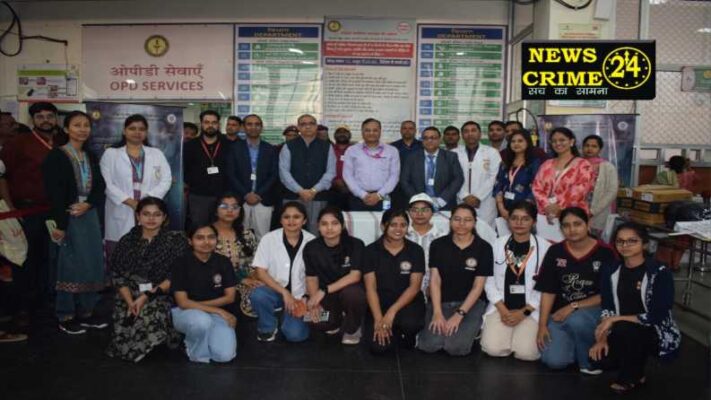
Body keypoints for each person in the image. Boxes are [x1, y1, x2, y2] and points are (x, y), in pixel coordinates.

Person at [589, 223, 681, 394]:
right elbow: (607, 306)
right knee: (599, 360)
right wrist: (602, 337)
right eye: (620, 241)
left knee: (626, 329)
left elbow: (657, 315)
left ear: (644, 244)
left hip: (655, 330)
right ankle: (636, 371)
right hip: (621, 328)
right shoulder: (611, 269)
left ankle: (629, 377)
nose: (625, 245)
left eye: (632, 241)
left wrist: (616, 319)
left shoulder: (659, 272)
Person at [42, 111, 106, 335]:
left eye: (86, 125)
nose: (82, 129)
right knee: (68, 264)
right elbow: (54, 192)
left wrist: (88, 204)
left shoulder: (91, 155)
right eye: (77, 125)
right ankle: (66, 314)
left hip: (88, 214)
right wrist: (61, 224)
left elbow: (100, 186)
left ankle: (87, 311)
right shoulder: (56, 156)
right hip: (67, 216)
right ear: (66, 129)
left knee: (91, 262)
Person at [535, 207, 617, 374]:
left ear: (588, 224)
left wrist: (573, 306)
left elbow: (609, 294)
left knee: (577, 320)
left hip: (594, 310)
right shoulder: (555, 251)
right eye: (566, 225)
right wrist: (542, 325)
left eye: (577, 224)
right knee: (554, 361)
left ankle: (589, 361)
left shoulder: (605, 253)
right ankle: (575, 344)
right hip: (560, 314)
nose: (572, 229)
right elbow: (548, 291)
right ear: (561, 228)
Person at [106, 197, 189, 362]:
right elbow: (117, 274)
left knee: (147, 313)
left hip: (160, 292)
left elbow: (176, 276)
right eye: (146, 214)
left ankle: (157, 341)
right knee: (128, 319)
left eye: (157, 214)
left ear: (164, 217)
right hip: (128, 293)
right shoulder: (127, 240)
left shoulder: (176, 240)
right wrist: (130, 301)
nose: (151, 219)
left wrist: (145, 297)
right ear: (138, 216)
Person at [0, 102, 58, 325]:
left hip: (53, 212)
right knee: (25, 260)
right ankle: (22, 309)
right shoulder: (18, 143)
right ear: (32, 119)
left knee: (47, 259)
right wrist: (11, 208)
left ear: (55, 119)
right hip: (26, 210)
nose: (45, 120)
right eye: (40, 116)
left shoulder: (61, 141)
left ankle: (43, 305)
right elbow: (3, 176)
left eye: (49, 116)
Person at [417, 204, 492, 356]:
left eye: (467, 220)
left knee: (456, 348)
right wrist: (437, 313)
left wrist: (459, 315)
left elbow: (478, 286)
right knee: (429, 346)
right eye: (457, 219)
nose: (461, 224)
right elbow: (435, 280)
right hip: (441, 301)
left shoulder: (484, 248)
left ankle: (475, 328)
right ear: (450, 221)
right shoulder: (438, 245)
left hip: (470, 304)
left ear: (474, 222)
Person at [481, 201, 549, 361]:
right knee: (493, 349)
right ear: (508, 220)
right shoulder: (497, 245)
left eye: (525, 219)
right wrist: (502, 309)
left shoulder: (545, 248)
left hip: (530, 309)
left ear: (534, 221)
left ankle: (517, 335)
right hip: (501, 307)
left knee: (527, 354)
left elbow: (546, 286)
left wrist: (524, 312)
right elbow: (488, 280)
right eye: (514, 218)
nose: (519, 223)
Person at [100, 114, 172, 258]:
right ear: (124, 131)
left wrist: (146, 202)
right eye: (132, 128)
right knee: (119, 253)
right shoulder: (111, 154)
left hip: (149, 208)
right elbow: (106, 183)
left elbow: (166, 180)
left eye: (141, 129)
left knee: (149, 252)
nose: (137, 132)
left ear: (146, 132)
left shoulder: (156, 154)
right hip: (122, 207)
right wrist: (131, 202)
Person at [171, 224, 238, 363]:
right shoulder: (181, 263)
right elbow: (182, 303)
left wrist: (202, 307)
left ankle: (204, 336)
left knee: (224, 356)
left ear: (216, 240)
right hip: (186, 313)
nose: (206, 242)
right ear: (190, 241)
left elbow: (230, 297)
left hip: (214, 314)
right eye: (200, 238)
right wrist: (219, 311)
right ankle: (195, 351)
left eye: (211, 237)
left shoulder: (223, 262)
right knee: (201, 322)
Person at [363, 209, 425, 354]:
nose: (398, 229)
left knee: (410, 324)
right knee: (378, 348)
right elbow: (370, 288)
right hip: (380, 303)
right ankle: (393, 331)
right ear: (383, 226)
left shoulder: (416, 250)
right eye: (393, 225)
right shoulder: (370, 251)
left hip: (408, 302)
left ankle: (405, 332)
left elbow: (414, 287)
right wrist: (378, 319)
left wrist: (391, 312)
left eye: (403, 225)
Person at [250, 201, 314, 342]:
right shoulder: (268, 239)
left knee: (295, 335)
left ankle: (291, 316)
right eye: (286, 217)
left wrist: (307, 297)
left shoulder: (313, 242)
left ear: (304, 221)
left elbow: (316, 276)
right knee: (258, 295)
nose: (291, 221)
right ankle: (267, 327)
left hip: (300, 297)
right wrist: (285, 293)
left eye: (296, 217)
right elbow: (260, 271)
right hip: (276, 291)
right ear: (280, 220)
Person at [303, 206, 367, 344]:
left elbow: (355, 276)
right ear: (318, 227)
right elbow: (311, 277)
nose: (329, 228)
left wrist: (323, 290)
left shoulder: (356, 244)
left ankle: (353, 327)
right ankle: (337, 319)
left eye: (334, 223)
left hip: (349, 291)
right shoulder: (311, 247)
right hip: (326, 296)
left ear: (342, 225)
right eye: (324, 224)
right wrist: (314, 301)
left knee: (353, 295)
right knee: (315, 321)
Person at [532, 127, 593, 240]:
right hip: (546, 215)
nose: (558, 143)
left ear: (571, 141)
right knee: (546, 247)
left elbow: (580, 189)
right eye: (554, 141)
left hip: (572, 215)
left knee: (571, 247)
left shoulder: (583, 164)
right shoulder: (546, 164)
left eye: (562, 140)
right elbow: (536, 187)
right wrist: (547, 205)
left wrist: (559, 207)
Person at [279, 114, 336, 233]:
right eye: (303, 124)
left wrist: (314, 190)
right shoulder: (288, 146)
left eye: (311, 123)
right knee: (292, 231)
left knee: (316, 232)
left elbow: (331, 172)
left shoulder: (327, 146)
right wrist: (300, 190)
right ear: (299, 127)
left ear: (316, 126)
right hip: (293, 197)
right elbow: (284, 172)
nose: (308, 127)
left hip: (318, 196)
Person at [225, 114, 278, 239]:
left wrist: (258, 194)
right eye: (249, 124)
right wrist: (246, 194)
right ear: (243, 127)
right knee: (239, 236)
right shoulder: (234, 148)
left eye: (257, 124)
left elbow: (274, 174)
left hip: (263, 199)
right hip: (240, 199)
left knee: (263, 237)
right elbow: (231, 174)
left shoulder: (270, 148)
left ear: (262, 127)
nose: (253, 127)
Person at [210, 194, 260, 318]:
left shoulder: (247, 234)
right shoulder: (206, 234)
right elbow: (204, 266)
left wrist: (255, 278)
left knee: (262, 293)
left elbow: (256, 262)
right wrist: (240, 280)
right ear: (215, 210)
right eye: (224, 206)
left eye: (235, 207)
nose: (230, 210)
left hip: (247, 282)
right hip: (215, 283)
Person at [183, 110, 230, 228]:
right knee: (200, 229)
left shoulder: (228, 144)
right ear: (201, 124)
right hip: (198, 196)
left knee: (222, 228)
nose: (210, 125)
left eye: (214, 122)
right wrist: (193, 182)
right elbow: (184, 169)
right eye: (207, 122)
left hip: (223, 195)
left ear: (218, 124)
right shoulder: (190, 146)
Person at [401, 127, 463, 211]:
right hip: (418, 206)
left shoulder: (450, 156)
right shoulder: (411, 157)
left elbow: (458, 179)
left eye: (433, 138)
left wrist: (442, 200)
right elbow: (404, 181)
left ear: (439, 140)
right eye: (425, 138)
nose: (429, 141)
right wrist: (418, 199)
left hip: (445, 204)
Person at [343, 118, 400, 211]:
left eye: (375, 130)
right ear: (362, 132)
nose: (371, 133)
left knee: (384, 220)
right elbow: (347, 175)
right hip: (358, 198)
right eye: (367, 130)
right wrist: (363, 195)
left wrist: (379, 195)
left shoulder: (392, 151)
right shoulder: (352, 150)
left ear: (380, 131)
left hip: (383, 197)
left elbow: (394, 176)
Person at [452, 121, 501, 228]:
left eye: (473, 130)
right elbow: (451, 177)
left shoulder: (492, 152)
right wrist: (464, 196)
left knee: (485, 232)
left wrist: (478, 197)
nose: (470, 134)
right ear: (462, 135)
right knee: (462, 229)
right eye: (466, 131)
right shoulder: (453, 153)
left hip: (485, 202)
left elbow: (494, 177)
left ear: (480, 134)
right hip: (461, 200)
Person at [494, 130, 542, 220]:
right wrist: (501, 208)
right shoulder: (505, 163)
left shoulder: (534, 163)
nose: (516, 144)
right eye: (513, 141)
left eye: (520, 141)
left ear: (527, 142)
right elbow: (498, 185)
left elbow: (537, 187)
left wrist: (523, 209)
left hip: (525, 211)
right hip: (503, 210)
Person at [406, 193, 447, 293]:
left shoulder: (442, 236)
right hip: (404, 287)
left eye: (425, 210)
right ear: (409, 212)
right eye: (415, 210)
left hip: (435, 288)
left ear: (432, 212)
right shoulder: (402, 234)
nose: (419, 214)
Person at [582, 135, 619, 235]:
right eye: (587, 145)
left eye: (594, 146)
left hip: (600, 211)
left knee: (596, 240)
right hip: (579, 211)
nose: (589, 148)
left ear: (600, 149)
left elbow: (612, 191)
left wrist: (593, 211)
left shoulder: (608, 167)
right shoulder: (578, 165)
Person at [390, 120, 422, 210]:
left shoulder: (422, 146)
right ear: (400, 130)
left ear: (415, 130)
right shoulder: (393, 147)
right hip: (397, 188)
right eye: (404, 128)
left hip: (418, 188)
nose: (407, 131)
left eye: (410, 128)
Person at [330, 126, 354, 210]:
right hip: (331, 190)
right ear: (334, 135)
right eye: (339, 132)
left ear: (350, 135)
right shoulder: (329, 149)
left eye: (345, 132)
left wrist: (348, 182)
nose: (342, 134)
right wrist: (334, 181)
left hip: (352, 191)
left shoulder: (355, 150)